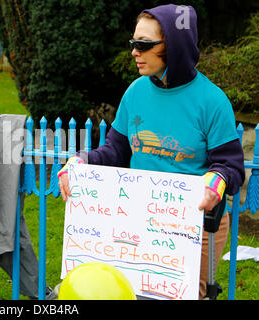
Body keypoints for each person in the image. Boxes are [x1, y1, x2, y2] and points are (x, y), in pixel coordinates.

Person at [57, 4, 245, 300]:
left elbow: (231, 166)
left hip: (194, 223)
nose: (134, 52)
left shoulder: (212, 101)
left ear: (174, 47)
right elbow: (115, 150)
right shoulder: (135, 91)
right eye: (133, 43)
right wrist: (81, 161)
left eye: (143, 44)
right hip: (139, 215)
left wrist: (215, 181)